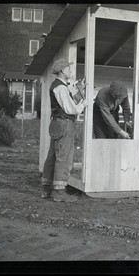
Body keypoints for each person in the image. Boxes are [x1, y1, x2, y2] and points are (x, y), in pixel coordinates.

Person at [41, 59, 90, 202]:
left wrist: (78, 88)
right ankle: (59, 192)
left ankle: (46, 189)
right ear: (62, 71)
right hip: (65, 124)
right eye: (69, 69)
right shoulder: (61, 88)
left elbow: (68, 97)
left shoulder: (60, 86)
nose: (71, 71)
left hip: (56, 124)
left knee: (52, 157)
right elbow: (71, 109)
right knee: (65, 157)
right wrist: (84, 104)